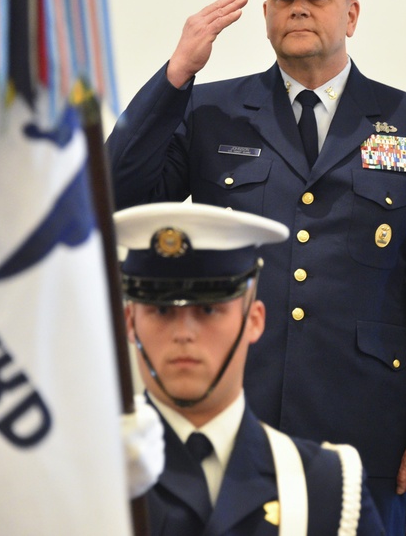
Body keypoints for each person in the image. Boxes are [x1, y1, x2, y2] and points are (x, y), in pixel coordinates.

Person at [105, 0, 406, 534]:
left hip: (363, 426)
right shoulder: (209, 110)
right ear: (267, 10)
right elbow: (114, 195)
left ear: (351, 13)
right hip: (235, 413)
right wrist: (174, 76)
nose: (298, 9)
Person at [116, 201, 385, 535]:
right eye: (161, 311)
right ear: (129, 322)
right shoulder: (88, 476)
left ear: (254, 321)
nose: (183, 333)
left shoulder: (327, 487)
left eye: (209, 309)